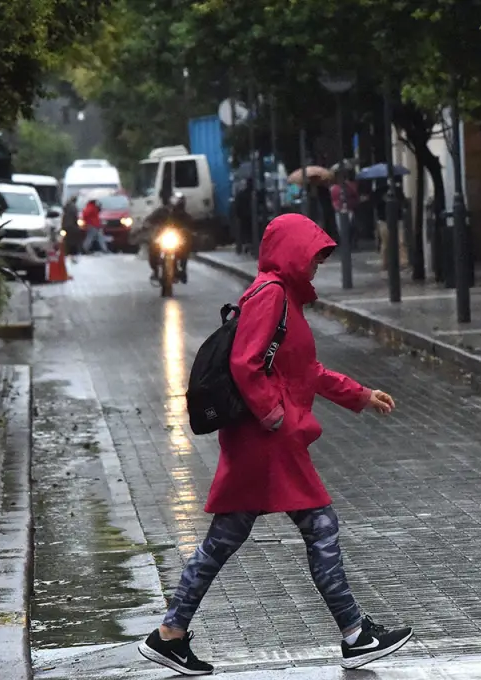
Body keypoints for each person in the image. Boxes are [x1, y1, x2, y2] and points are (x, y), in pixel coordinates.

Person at [138, 214, 414, 675]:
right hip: (267, 441)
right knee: (318, 527)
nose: (318, 265)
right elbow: (246, 363)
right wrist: (274, 415)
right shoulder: (271, 295)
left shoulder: (282, 296)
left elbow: (306, 370)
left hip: (265, 441)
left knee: (227, 539)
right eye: (314, 256)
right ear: (292, 252)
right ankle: (354, 635)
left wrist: (360, 395)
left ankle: (171, 633)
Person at [146, 193, 194, 283]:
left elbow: (191, 224)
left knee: (185, 249)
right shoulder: (162, 211)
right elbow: (150, 219)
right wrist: (149, 225)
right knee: (153, 249)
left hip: (176, 239)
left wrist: (188, 231)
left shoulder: (184, 215)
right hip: (162, 238)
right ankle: (155, 271)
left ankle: (183, 269)